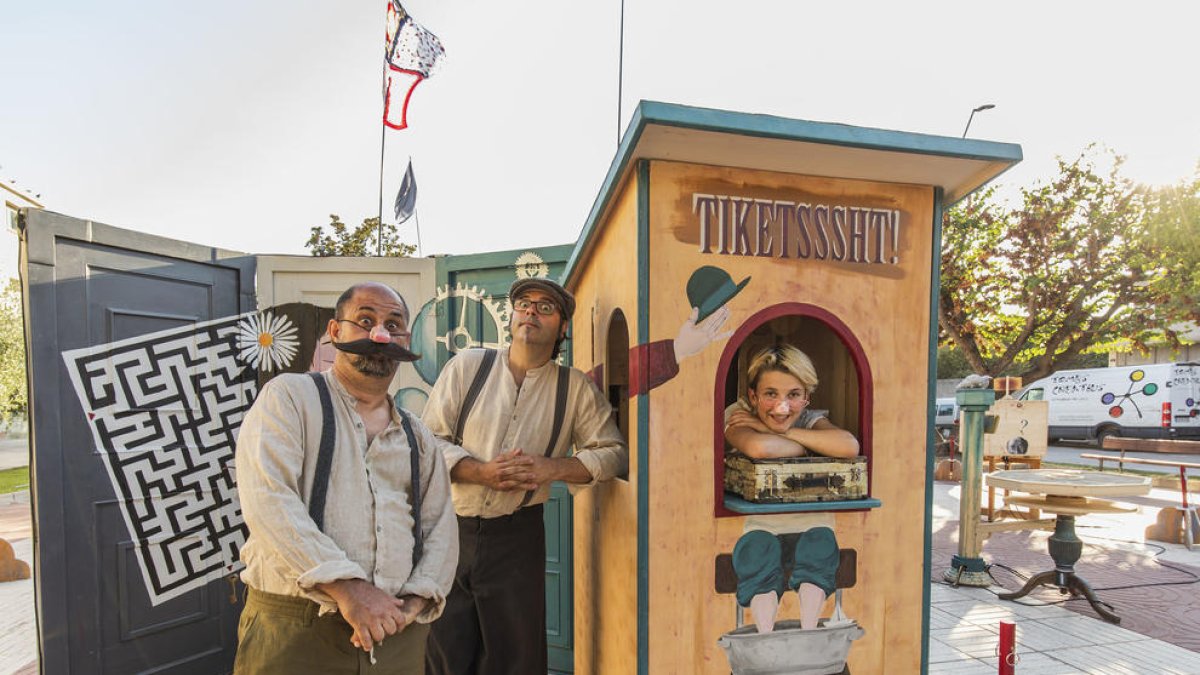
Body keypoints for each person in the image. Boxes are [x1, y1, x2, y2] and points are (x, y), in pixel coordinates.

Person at [234, 282, 458, 674]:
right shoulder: (290, 398)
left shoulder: (417, 435)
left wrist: (413, 604)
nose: (380, 334)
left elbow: (440, 527)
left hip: (396, 634)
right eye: (366, 320)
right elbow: (268, 499)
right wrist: (347, 588)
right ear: (336, 332)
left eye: (394, 324)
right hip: (297, 629)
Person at [423, 277, 628, 675]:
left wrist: (553, 467)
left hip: (518, 537)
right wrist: (481, 472)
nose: (531, 311)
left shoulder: (575, 389)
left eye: (545, 307)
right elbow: (427, 442)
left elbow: (614, 453)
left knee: (516, 658)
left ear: (562, 327)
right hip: (451, 530)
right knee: (445, 651)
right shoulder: (468, 367)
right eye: (523, 303)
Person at [724, 344, 860, 633]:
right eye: (770, 394)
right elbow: (760, 448)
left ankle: (808, 634)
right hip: (760, 527)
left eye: (793, 395)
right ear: (753, 396)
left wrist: (779, 429)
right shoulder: (738, 414)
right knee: (758, 554)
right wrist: (812, 445)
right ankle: (765, 638)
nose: (781, 407)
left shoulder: (808, 419)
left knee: (819, 547)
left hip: (811, 525)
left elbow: (848, 446)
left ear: (806, 398)